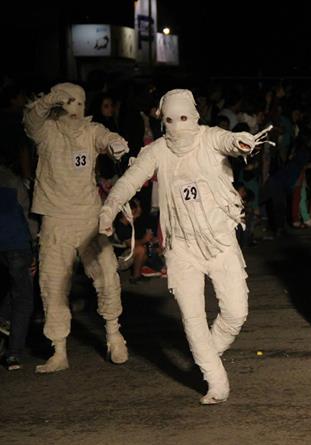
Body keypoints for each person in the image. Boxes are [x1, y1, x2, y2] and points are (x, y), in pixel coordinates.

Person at [99, 89, 267, 405]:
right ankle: (215, 381)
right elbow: (130, 180)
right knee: (193, 320)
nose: (178, 126)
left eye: (184, 118)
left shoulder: (209, 138)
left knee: (235, 312)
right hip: (182, 248)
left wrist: (241, 141)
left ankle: (206, 356)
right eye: (171, 120)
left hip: (219, 243)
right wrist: (109, 209)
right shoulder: (157, 152)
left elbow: (228, 140)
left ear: (195, 116)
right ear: (163, 121)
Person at [23, 82, 130, 373]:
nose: (75, 109)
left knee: (107, 272)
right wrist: (47, 101)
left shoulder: (90, 131)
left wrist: (115, 144)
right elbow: (30, 121)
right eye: (70, 102)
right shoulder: (46, 133)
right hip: (56, 219)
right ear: (59, 103)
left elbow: (105, 138)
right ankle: (59, 350)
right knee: (53, 284)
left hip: (88, 218)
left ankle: (113, 334)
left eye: (81, 103)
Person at [0, 151, 36, 370]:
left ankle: (3, 318)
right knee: (23, 297)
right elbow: (27, 216)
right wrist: (35, 247)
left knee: (11, 289)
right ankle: (13, 353)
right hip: (15, 244)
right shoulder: (13, 181)